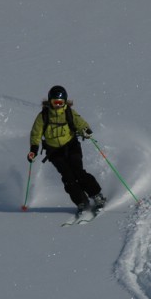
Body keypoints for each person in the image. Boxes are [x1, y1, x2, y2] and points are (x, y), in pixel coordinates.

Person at [28, 85, 106, 215]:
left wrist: (85, 130)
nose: (58, 105)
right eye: (55, 102)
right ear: (50, 101)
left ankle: (97, 195)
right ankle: (81, 201)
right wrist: (33, 150)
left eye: (60, 102)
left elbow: (80, 123)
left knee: (78, 172)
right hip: (54, 151)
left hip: (71, 146)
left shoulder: (69, 112)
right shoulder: (43, 116)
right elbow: (35, 134)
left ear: (64, 102)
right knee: (68, 177)